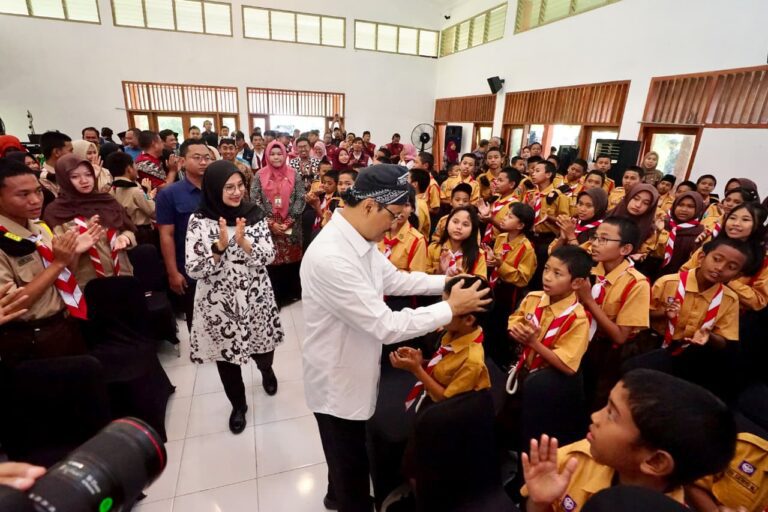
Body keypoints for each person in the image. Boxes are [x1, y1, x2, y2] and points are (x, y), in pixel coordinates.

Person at [300, 164, 491, 512]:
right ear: (370, 205)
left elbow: (394, 280)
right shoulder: (331, 256)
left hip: (354, 365)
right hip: (336, 379)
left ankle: (335, 493)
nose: (396, 225)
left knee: (347, 457)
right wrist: (450, 309)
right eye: (395, 215)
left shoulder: (358, 238)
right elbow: (385, 325)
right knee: (351, 468)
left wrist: (445, 283)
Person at [521, 369, 737, 512]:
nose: (595, 417)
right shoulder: (574, 461)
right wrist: (539, 503)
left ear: (656, 462)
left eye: (612, 414)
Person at [185, 161, 282, 434]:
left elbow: (269, 255)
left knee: (263, 348)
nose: (237, 192)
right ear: (215, 188)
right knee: (226, 358)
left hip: (255, 296)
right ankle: (238, 406)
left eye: (240, 186)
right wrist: (218, 247)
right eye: (229, 187)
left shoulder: (254, 214)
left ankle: (266, 370)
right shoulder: (199, 220)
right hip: (218, 302)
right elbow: (193, 268)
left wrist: (244, 243)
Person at [0, 158, 102, 364]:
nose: (36, 200)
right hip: (34, 336)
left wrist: (70, 255)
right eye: (23, 194)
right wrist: (58, 263)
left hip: (66, 321)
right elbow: (13, 305)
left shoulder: (38, 227)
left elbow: (63, 275)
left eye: (37, 191)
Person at [577, 217, 651, 409]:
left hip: (608, 353)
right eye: (595, 237)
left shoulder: (637, 283)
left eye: (604, 239)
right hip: (580, 340)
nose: (594, 243)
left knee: (596, 400)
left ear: (625, 249)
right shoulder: (589, 270)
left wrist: (589, 300)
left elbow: (620, 336)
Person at [390, 275, 492, 410]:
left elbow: (447, 401)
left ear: (468, 320)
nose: (440, 309)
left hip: (443, 413)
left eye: (450, 307)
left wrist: (417, 370)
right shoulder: (453, 333)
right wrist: (422, 362)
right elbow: (445, 369)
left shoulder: (472, 361)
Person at [43, 154, 136, 287]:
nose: (84, 181)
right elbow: (56, 256)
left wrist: (125, 238)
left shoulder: (107, 201)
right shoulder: (56, 211)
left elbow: (128, 229)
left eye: (88, 174)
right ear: (63, 179)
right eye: (75, 177)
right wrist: (76, 245)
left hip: (123, 274)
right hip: (87, 284)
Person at [156, 139, 209, 332]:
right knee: (196, 318)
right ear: (183, 161)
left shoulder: (218, 190)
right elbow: (166, 235)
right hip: (189, 269)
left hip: (219, 266)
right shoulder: (169, 194)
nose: (203, 162)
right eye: (197, 158)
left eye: (206, 158)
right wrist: (172, 272)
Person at [251, 141, 305, 308]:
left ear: (285, 154)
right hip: (269, 227)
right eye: (272, 154)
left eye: (279, 153)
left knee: (292, 261)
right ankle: (276, 297)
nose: (276, 157)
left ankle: (292, 294)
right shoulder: (259, 175)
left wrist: (289, 221)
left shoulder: (294, 174)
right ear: (268, 155)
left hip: (292, 225)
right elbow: (255, 200)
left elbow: (300, 198)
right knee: (273, 261)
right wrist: (271, 223)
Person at [485, 202, 536, 366]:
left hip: (509, 294)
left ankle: (503, 362)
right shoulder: (500, 238)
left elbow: (523, 278)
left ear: (520, 225)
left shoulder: (526, 248)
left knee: (502, 326)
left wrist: (501, 265)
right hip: (493, 287)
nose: (504, 218)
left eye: (510, 216)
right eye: (506, 214)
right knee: (489, 323)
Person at [106, 151, 157, 246]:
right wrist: (149, 197)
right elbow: (153, 211)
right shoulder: (134, 190)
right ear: (129, 169)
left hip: (124, 234)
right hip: (142, 234)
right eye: (134, 166)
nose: (136, 169)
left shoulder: (112, 189)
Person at [378, 186, 427, 275]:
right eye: (397, 203)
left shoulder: (417, 241)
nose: (400, 210)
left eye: (406, 205)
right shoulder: (377, 231)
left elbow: (417, 279)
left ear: (412, 209)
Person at [427, 206, 487, 278]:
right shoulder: (433, 248)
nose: (459, 227)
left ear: (472, 230)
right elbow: (421, 278)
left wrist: (463, 278)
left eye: (465, 224)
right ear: (447, 223)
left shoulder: (478, 254)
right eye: (455, 222)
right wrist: (439, 271)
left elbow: (481, 283)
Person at [607, 184, 660, 262]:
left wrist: (639, 257)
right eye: (635, 198)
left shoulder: (650, 231)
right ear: (629, 197)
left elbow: (642, 253)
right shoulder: (608, 216)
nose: (638, 205)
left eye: (645, 203)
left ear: (651, 207)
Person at [655, 191, 704, 275]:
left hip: (678, 278)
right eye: (680, 205)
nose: (684, 209)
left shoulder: (700, 232)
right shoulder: (662, 223)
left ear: (698, 209)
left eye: (690, 206)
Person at [551, 187, 609, 253]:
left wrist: (571, 236)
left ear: (599, 208)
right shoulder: (573, 222)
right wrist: (562, 238)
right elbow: (552, 254)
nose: (582, 209)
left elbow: (585, 259)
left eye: (589, 206)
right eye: (580, 204)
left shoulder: (603, 230)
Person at [477, 166, 520, 246]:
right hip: (488, 240)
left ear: (511, 184)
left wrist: (491, 220)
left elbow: (510, 230)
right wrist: (485, 217)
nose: (496, 182)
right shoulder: (497, 199)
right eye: (497, 179)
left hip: (500, 244)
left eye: (500, 180)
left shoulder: (515, 204)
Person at [40, 131, 73, 198]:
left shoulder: (69, 171)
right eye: (70, 150)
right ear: (57, 152)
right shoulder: (44, 179)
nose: (73, 154)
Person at [408, 169, 431, 239]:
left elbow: (415, 230)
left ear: (414, 184)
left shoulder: (419, 205)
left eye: (406, 179)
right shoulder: (416, 201)